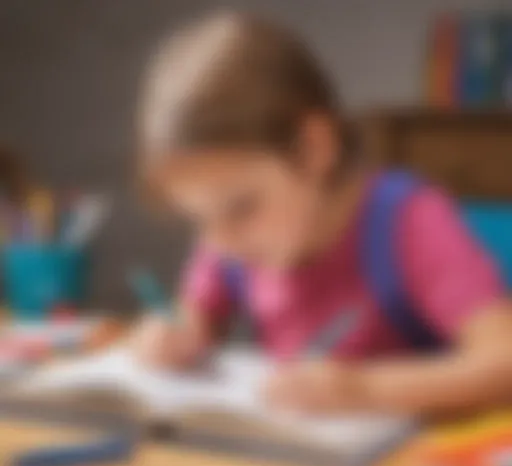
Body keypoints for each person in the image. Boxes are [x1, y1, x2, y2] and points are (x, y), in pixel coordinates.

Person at [131, 11, 512, 416]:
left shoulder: (408, 222)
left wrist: (366, 390)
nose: (218, 242)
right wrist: (174, 338)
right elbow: (194, 320)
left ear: (315, 148)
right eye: (198, 219)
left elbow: (504, 361)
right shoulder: (232, 237)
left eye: (241, 207)